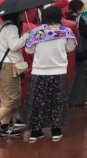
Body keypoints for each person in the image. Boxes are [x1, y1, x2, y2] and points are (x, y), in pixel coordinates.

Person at [22, 7, 76, 142]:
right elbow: (71, 48)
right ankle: (56, 131)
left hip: (39, 72)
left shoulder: (36, 31)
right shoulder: (65, 31)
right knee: (57, 101)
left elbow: (28, 50)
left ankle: (35, 132)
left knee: (37, 102)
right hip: (59, 72)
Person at [0, 12, 27, 139]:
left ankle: (5, 127)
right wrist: (27, 35)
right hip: (9, 67)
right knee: (12, 99)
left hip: (4, 65)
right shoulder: (11, 27)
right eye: (23, 12)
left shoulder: (2, 26)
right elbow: (14, 45)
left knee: (8, 98)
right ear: (16, 14)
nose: (25, 14)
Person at [67, 0, 87, 107]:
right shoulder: (78, 19)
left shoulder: (65, 18)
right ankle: (77, 99)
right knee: (79, 75)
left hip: (68, 50)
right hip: (80, 50)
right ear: (78, 8)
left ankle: (67, 98)